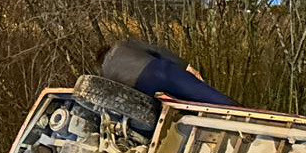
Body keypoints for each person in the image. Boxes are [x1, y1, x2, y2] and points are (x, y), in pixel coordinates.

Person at [98, 39, 234, 105]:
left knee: (186, 105)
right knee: (205, 94)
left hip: (145, 87)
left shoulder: (105, 73)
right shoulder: (121, 45)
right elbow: (158, 51)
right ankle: (236, 109)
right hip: (160, 69)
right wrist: (186, 66)